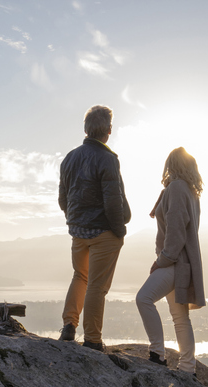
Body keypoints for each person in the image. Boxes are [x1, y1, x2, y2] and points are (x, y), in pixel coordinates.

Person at [57, 105, 131, 351]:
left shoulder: (69, 157)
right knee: (97, 286)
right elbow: (113, 201)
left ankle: (69, 325)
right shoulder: (108, 159)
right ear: (109, 130)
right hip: (103, 232)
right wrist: (119, 231)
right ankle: (92, 340)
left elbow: (62, 199)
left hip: (78, 232)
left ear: (86, 129)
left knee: (80, 276)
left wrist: (75, 220)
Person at [136, 146, 206, 373]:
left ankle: (157, 353)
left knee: (144, 299)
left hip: (174, 262)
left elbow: (175, 232)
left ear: (171, 165)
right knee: (180, 317)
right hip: (185, 264)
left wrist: (162, 260)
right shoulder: (190, 192)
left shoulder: (176, 188)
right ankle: (188, 368)